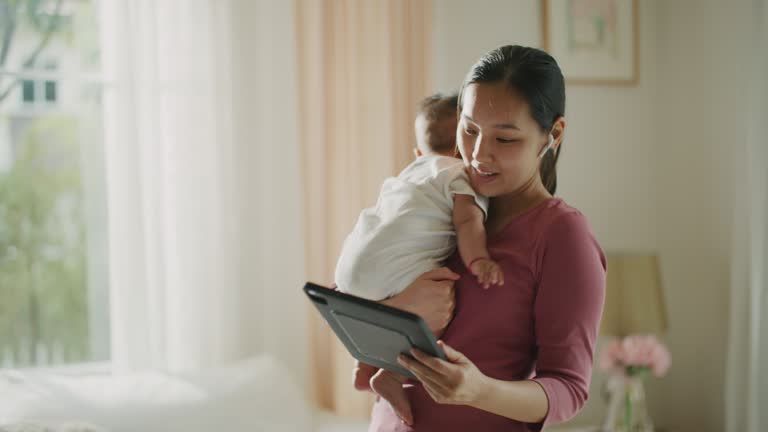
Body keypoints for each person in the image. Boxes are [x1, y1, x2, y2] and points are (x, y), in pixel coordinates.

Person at [367, 45, 607, 431]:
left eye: (505, 139)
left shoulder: (562, 235)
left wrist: (478, 391)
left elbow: (569, 388)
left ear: (553, 133)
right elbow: (347, 302)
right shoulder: (438, 200)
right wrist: (398, 307)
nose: (478, 154)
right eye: (470, 129)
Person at [334, 93, 504, 425]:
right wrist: (479, 260)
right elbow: (467, 223)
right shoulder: (460, 175)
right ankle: (391, 376)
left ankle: (365, 362)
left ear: (418, 153)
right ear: (464, 145)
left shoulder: (408, 174)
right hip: (392, 272)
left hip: (347, 271)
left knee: (399, 287)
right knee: (439, 300)